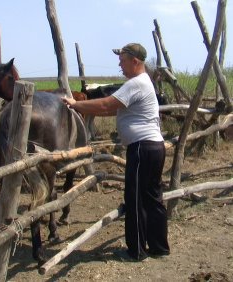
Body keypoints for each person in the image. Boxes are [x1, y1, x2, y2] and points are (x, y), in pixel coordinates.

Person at [62, 43, 170, 261]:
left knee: (136, 199)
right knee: (152, 197)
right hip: (152, 147)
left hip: (142, 148)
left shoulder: (136, 83)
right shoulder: (142, 83)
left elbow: (105, 106)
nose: (120, 64)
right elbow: (111, 109)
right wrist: (84, 107)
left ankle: (136, 251)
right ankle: (159, 247)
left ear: (135, 61)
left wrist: (75, 104)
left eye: (122, 60)